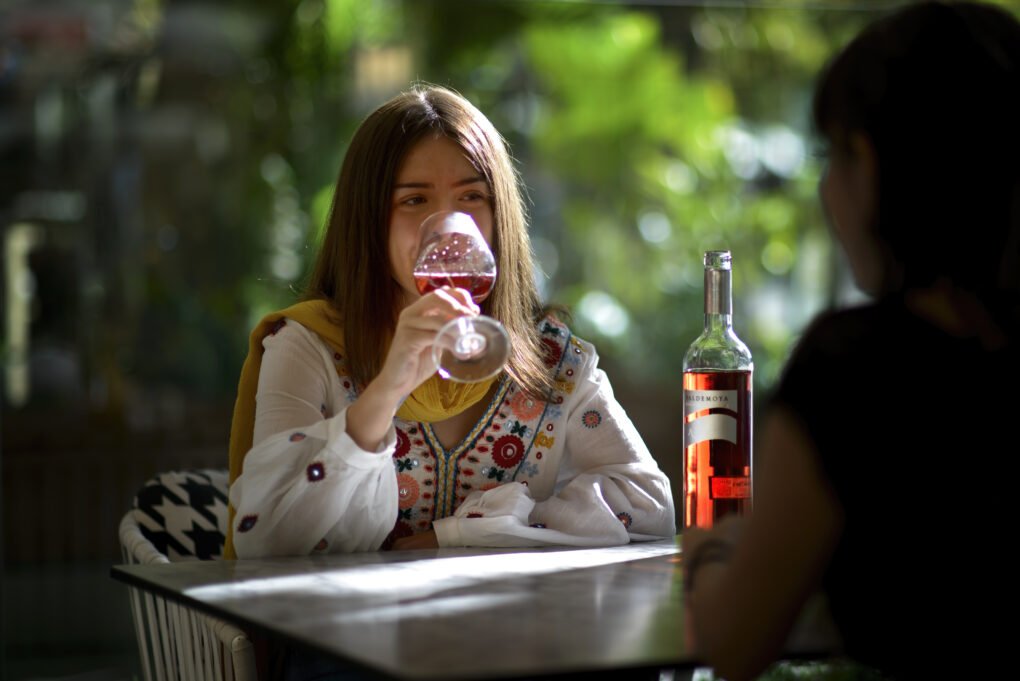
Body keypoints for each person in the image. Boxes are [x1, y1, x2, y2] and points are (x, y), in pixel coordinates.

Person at [683, 2, 1019, 679]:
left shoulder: (856, 371)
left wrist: (707, 549)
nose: (826, 189)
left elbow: (733, 642)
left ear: (869, 162)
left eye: (832, 155)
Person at [224, 84, 675, 560]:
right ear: (368, 221)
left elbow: (649, 506)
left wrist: (462, 534)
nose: (448, 225)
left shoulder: (551, 362)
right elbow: (267, 542)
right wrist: (381, 398)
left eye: (471, 197)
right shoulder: (307, 346)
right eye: (414, 201)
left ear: (499, 216)